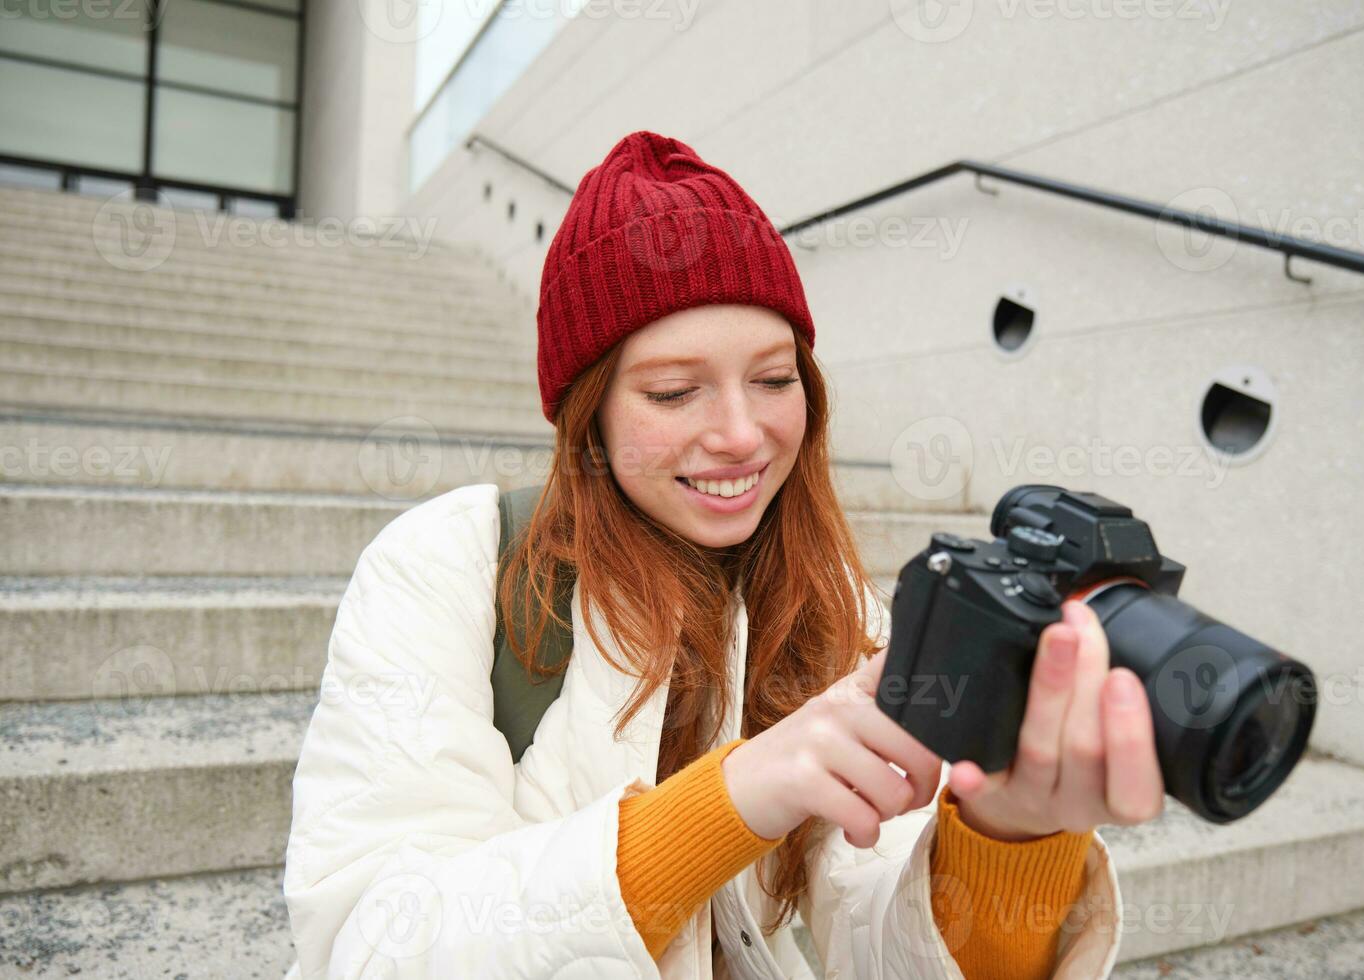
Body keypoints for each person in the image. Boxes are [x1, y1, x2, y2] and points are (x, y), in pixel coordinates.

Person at [281, 130, 1165, 980]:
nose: (742, 436)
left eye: (776, 380)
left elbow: (890, 941)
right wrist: (732, 801)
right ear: (585, 409)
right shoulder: (450, 566)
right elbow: (374, 948)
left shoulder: (841, 610)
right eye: (674, 391)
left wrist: (1008, 838)